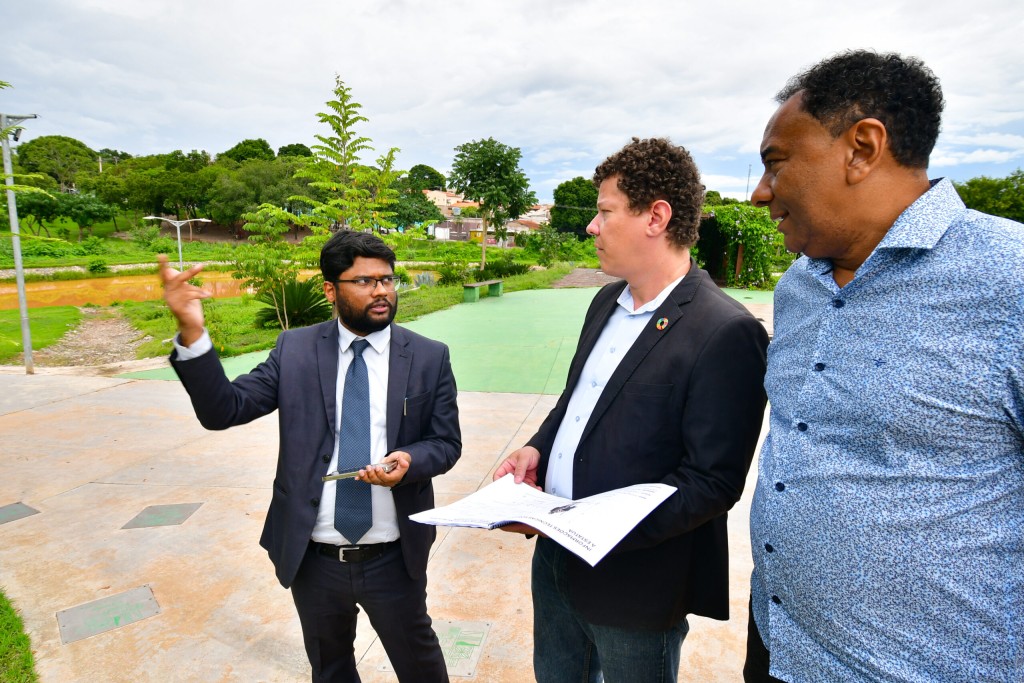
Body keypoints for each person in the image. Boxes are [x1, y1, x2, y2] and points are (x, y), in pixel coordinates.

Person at [745, 50, 1024, 682]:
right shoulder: (797, 287)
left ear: (863, 149)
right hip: (778, 647)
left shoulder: (1009, 281)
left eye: (776, 163)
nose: (760, 192)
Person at [494, 137, 769, 682]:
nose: (591, 227)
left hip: (636, 582)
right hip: (555, 561)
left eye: (604, 212)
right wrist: (537, 448)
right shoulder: (605, 302)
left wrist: (592, 526)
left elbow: (712, 482)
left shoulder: (725, 330)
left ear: (656, 217)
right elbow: (578, 400)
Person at [160, 229, 461, 683]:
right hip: (314, 556)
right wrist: (192, 331)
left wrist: (410, 461)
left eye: (386, 279)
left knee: (421, 667)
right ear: (330, 290)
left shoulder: (427, 356)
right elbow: (224, 410)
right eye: (364, 281)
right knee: (330, 669)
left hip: (393, 555)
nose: (380, 291)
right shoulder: (295, 350)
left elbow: (446, 442)